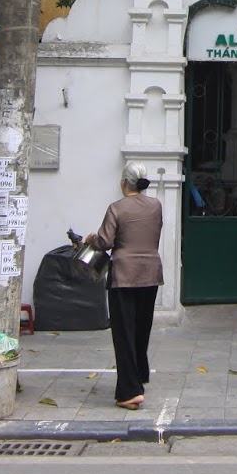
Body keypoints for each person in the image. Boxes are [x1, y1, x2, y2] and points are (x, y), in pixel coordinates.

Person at [81, 161, 163, 410]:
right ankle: (139, 376)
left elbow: (105, 241)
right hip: (150, 273)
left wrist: (92, 238)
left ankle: (129, 391)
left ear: (124, 182)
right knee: (141, 329)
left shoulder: (116, 208)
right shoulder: (156, 206)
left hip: (124, 275)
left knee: (123, 333)